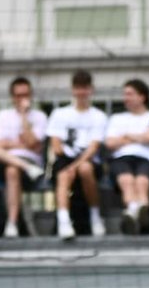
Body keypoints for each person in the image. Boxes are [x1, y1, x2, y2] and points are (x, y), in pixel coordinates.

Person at [0, 77, 48, 239]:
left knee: (12, 170)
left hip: (29, 161)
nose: (22, 99)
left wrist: (24, 116)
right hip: (2, 161)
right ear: (12, 97)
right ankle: (26, 167)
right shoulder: (2, 115)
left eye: (25, 95)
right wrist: (19, 144)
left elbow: (32, 142)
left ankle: (12, 223)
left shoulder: (39, 116)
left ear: (31, 95)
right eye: (18, 95)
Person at [46, 69, 108, 240]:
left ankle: (95, 216)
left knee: (85, 169)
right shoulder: (60, 114)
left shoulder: (99, 116)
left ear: (91, 90)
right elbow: (56, 145)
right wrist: (69, 164)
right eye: (78, 88)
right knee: (63, 176)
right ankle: (64, 221)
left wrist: (74, 165)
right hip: (65, 159)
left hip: (88, 160)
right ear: (73, 90)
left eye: (85, 88)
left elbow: (94, 147)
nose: (81, 92)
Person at [105, 79, 149, 235]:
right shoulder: (117, 118)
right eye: (125, 94)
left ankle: (133, 212)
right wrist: (143, 137)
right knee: (126, 180)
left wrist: (127, 136)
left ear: (142, 96)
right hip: (122, 159)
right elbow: (110, 143)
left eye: (130, 94)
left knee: (142, 181)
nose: (126, 98)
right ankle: (139, 211)